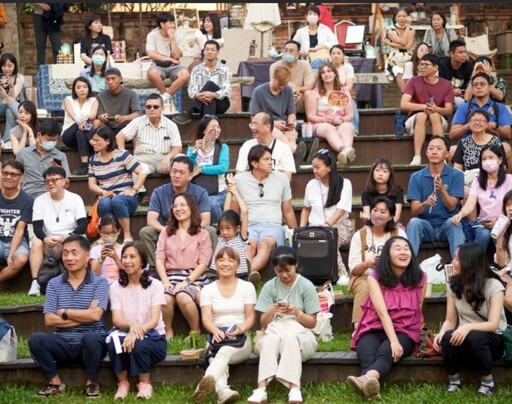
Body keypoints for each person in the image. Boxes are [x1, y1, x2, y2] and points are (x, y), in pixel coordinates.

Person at [28, 235, 109, 398]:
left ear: (87, 256)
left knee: (92, 337)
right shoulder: (54, 283)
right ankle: (55, 382)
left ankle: (92, 383)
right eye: (65, 253)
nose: (69, 258)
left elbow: (96, 316)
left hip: (90, 346)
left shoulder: (100, 283)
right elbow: (49, 320)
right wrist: (86, 314)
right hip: (62, 343)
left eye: (74, 253)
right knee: (36, 340)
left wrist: (64, 313)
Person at [347, 236, 426, 400]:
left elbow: (418, 309)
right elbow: (382, 313)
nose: (403, 251)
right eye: (397, 248)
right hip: (375, 326)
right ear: (387, 255)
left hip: (405, 331)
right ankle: (370, 386)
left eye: (406, 248)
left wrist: (396, 341)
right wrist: (393, 340)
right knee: (367, 351)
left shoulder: (421, 277)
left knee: (385, 351)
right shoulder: (374, 278)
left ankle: (365, 379)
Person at [247, 246, 320, 404]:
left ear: (296, 265)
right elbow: (263, 323)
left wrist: (297, 313)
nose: (284, 275)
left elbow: (312, 323)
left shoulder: (306, 285)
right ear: (274, 269)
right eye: (280, 271)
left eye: (288, 270)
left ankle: (294, 388)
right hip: (273, 332)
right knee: (270, 339)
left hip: (301, 336)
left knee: (290, 337)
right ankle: (261, 389)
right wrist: (271, 311)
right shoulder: (269, 286)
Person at [433, 242, 506, 397]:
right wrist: (442, 332)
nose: (452, 262)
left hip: (493, 340)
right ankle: (454, 382)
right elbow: (450, 320)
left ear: (470, 262)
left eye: (457, 259)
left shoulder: (494, 286)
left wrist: (467, 327)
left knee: (474, 336)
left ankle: (487, 382)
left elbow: (493, 325)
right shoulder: (453, 285)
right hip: (465, 338)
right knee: (447, 337)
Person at [192, 246, 256, 403]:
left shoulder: (247, 287)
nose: (225, 264)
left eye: (230, 260)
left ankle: (204, 383)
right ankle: (223, 392)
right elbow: (206, 318)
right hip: (216, 336)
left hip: (240, 339)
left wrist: (241, 328)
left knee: (224, 352)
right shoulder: (207, 289)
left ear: (237, 265)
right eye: (221, 260)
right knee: (215, 355)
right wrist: (214, 330)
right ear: (215, 264)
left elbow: (250, 317)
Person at [108, 241, 167, 400]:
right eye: (124, 257)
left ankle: (144, 383)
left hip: (153, 337)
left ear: (142, 261)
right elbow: (117, 320)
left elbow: (154, 320)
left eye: (132, 257)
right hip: (125, 334)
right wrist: (132, 326)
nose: (127, 261)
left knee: (139, 344)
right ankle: (123, 383)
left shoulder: (155, 285)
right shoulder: (115, 287)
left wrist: (136, 333)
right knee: (113, 342)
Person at [231, 145, 297, 283]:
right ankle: (247, 276)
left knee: (265, 244)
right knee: (249, 246)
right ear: (254, 163)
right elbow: (234, 210)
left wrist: (296, 232)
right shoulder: (240, 180)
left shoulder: (282, 179)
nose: (270, 162)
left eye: (270, 159)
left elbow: (288, 210)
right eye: (266, 159)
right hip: (248, 224)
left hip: (272, 225)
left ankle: (241, 278)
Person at [155, 193, 212, 340]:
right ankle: (168, 331)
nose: (178, 209)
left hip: (194, 278)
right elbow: (159, 259)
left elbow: (204, 263)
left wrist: (186, 282)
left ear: (191, 208)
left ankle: (195, 331)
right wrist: (166, 282)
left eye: (182, 205)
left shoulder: (202, 234)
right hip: (171, 276)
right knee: (164, 297)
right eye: (175, 206)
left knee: (182, 296)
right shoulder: (165, 233)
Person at [139, 155, 211, 269]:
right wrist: (166, 231)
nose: (176, 176)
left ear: (191, 175)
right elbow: (151, 220)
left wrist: (190, 231)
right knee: (146, 232)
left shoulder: (200, 192)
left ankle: (207, 271)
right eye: (174, 171)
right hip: (167, 230)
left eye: (181, 172)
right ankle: (155, 269)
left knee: (210, 231)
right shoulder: (159, 192)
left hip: (192, 230)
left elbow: (206, 220)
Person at [348, 197, 407, 330]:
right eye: (374, 210)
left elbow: (407, 262)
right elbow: (353, 270)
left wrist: (387, 264)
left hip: (392, 275)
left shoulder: (399, 234)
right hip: (364, 276)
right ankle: (358, 328)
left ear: (391, 216)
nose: (377, 214)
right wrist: (368, 264)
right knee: (365, 286)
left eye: (383, 211)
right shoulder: (360, 235)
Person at [29, 167, 87, 297]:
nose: (50, 183)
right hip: (49, 241)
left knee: (81, 240)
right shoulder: (39, 200)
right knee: (36, 242)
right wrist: (45, 239)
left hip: (70, 237)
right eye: (47, 181)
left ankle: (81, 282)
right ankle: (35, 282)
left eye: (54, 180)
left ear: (64, 181)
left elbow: (83, 224)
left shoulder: (75, 198)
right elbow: (37, 227)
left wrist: (69, 236)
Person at [406, 136, 465, 258]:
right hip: (426, 225)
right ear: (426, 153)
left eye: (439, 148)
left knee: (455, 222)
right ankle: (408, 268)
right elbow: (414, 210)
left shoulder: (456, 175)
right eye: (431, 148)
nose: (434, 152)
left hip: (446, 224)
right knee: (413, 222)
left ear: (447, 154)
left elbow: (452, 206)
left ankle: (460, 266)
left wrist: (442, 190)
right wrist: (426, 203)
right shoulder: (416, 177)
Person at [300, 148, 353, 280]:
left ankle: (342, 274)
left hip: (340, 226)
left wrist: (326, 225)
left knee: (329, 237)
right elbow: (306, 209)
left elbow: (340, 210)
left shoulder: (345, 184)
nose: (314, 171)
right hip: (315, 226)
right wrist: (301, 229)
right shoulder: (311, 185)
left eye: (318, 167)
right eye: (313, 167)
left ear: (329, 168)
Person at [88, 126, 147, 242]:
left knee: (117, 201)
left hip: (126, 197)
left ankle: (127, 235)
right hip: (106, 195)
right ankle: (106, 236)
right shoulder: (93, 160)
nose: (93, 143)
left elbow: (142, 172)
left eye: (97, 140)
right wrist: (103, 192)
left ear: (107, 141)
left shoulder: (122, 155)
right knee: (104, 203)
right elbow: (91, 184)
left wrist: (134, 190)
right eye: (92, 140)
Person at [452, 145, 512, 251]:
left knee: (497, 233)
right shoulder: (478, 181)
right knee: (483, 234)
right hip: (483, 223)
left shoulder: (509, 180)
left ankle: (502, 265)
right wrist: (460, 214)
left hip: (504, 223)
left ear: (500, 159)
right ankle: (475, 265)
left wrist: (498, 221)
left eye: (491, 157)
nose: (487, 161)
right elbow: (470, 204)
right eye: (484, 159)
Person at [400, 53, 454, 166]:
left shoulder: (446, 84)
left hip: (438, 120)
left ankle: (442, 156)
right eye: (421, 64)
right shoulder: (413, 81)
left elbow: (448, 110)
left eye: (426, 65)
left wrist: (435, 109)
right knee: (422, 115)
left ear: (435, 67)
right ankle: (417, 156)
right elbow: (404, 104)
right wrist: (424, 107)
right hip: (415, 120)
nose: (422, 67)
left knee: (434, 115)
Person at [449, 72, 512, 167]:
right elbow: (452, 135)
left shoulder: (499, 107)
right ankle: (459, 181)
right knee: (453, 150)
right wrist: (468, 126)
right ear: (472, 89)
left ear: (489, 87)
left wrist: (494, 126)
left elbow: (508, 134)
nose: (478, 87)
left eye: (482, 84)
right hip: (468, 146)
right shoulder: (464, 107)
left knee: (507, 147)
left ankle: (505, 180)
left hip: (493, 146)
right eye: (475, 85)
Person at [304, 62, 357, 167]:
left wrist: (341, 120)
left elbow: (350, 115)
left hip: (339, 121)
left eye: (329, 71)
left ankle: (344, 156)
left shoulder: (344, 91)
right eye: (323, 73)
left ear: (335, 74)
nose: (326, 74)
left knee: (348, 126)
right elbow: (310, 116)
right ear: (321, 76)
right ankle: (345, 150)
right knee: (328, 128)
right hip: (320, 124)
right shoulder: (315, 93)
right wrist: (323, 119)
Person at [116, 93, 182, 175]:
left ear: (162, 108)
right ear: (145, 108)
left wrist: (168, 157)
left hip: (164, 158)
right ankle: (139, 188)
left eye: (155, 107)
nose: (152, 109)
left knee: (182, 162)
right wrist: (124, 155)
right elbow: (120, 136)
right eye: (148, 107)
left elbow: (178, 147)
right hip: (142, 159)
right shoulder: (137, 122)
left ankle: (178, 188)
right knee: (135, 169)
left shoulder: (171, 125)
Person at [249, 66, 305, 160]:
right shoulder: (258, 91)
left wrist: (290, 122)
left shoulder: (287, 91)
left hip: (284, 125)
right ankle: (300, 155)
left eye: (285, 84)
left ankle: (295, 156)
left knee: (290, 138)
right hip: (266, 125)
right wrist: (273, 124)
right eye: (280, 84)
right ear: (273, 78)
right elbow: (253, 118)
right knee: (283, 138)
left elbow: (292, 113)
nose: (282, 87)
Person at [174, 40, 231, 125]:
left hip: (221, 103)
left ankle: (190, 111)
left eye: (212, 50)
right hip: (203, 103)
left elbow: (226, 90)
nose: (209, 52)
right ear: (203, 51)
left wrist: (214, 95)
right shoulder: (196, 69)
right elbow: (191, 89)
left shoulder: (224, 69)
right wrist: (197, 95)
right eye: (207, 49)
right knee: (209, 101)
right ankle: (207, 130)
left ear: (218, 52)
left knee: (210, 84)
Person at [187, 115, 228, 225]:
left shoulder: (222, 147)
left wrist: (201, 169)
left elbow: (223, 167)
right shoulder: (192, 149)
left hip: (218, 193)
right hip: (196, 191)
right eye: (213, 127)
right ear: (204, 130)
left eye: (218, 127)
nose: (216, 130)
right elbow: (188, 166)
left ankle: (219, 228)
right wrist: (195, 151)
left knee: (211, 203)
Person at [16, 119, 70, 199]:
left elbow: (66, 184)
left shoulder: (60, 156)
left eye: (54, 140)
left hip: (51, 196)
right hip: (28, 197)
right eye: (48, 140)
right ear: (39, 135)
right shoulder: (23, 154)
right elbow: (16, 178)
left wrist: (60, 173)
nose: (51, 142)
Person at [235, 112, 296, 181]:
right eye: (251, 125)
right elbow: (239, 173)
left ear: (267, 127)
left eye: (255, 124)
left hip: (274, 188)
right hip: (250, 188)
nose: (252, 128)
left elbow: (286, 178)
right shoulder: (247, 146)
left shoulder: (284, 148)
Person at [210, 174, 249, 280]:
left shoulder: (240, 237)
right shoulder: (221, 237)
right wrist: (230, 190)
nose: (224, 232)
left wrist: (235, 192)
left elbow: (244, 212)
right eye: (222, 229)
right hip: (219, 274)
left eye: (228, 228)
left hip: (238, 276)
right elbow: (226, 210)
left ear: (237, 229)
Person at [146, 12, 190, 105]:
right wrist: (168, 59)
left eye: (173, 23)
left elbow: (177, 56)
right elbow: (151, 54)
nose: (173, 26)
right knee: (152, 73)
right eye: (170, 23)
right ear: (162, 24)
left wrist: (172, 38)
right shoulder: (152, 35)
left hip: (174, 66)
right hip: (158, 64)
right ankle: (167, 98)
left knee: (185, 74)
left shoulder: (177, 36)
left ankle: (165, 97)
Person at [0, 160, 33, 284]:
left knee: (21, 259)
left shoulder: (28, 200)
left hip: (17, 241)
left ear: (21, 178)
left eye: (13, 174)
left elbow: (20, 229)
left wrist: (11, 254)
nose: (8, 177)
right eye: (5, 173)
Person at [61, 77, 98, 175]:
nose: (82, 90)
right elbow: (73, 115)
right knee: (79, 128)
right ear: (74, 90)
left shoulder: (94, 100)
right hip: (69, 135)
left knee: (80, 133)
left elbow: (93, 115)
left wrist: (85, 119)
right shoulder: (68, 100)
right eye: (78, 87)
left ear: (89, 88)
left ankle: (85, 165)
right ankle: (92, 141)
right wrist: (82, 121)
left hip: (82, 133)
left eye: (85, 87)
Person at [269, 40, 315, 114]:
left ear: (298, 53)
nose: (288, 53)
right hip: (281, 96)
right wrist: (291, 91)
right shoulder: (274, 66)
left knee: (309, 94)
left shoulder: (305, 65)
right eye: (285, 50)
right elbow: (274, 86)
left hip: (299, 96)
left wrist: (297, 90)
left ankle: (310, 120)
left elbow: (309, 86)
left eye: (291, 51)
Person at [95, 67, 141, 135]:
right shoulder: (101, 96)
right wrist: (102, 117)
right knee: (96, 122)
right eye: (108, 79)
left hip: (127, 128)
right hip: (107, 128)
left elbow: (138, 114)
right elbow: (98, 115)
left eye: (113, 78)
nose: (110, 82)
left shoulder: (131, 94)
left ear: (120, 79)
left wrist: (124, 118)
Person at [292, 5, 338, 71]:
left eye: (315, 14)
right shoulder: (300, 32)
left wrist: (323, 46)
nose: (312, 16)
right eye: (310, 14)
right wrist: (301, 52)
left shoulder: (325, 29)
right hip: (306, 62)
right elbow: (293, 46)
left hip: (323, 62)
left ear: (319, 17)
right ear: (306, 16)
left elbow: (335, 43)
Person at [360, 158, 404, 225]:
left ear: (390, 175)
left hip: (392, 225)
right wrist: (366, 218)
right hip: (373, 225)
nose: (380, 174)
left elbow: (396, 217)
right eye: (377, 170)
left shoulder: (397, 190)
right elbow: (367, 215)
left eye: (385, 171)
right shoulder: (366, 193)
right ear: (372, 173)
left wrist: (385, 228)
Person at [382, 8, 416, 89]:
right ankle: (405, 95)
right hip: (395, 57)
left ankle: (411, 95)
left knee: (410, 72)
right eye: (399, 16)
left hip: (409, 56)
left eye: (404, 16)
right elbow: (403, 42)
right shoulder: (390, 30)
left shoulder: (412, 30)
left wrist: (390, 43)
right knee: (398, 72)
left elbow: (407, 46)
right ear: (395, 18)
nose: (401, 18)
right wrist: (394, 44)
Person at [330, 45, 359, 132]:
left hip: (344, 94)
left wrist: (339, 93)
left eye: (339, 53)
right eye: (333, 53)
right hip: (329, 95)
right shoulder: (327, 68)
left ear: (343, 55)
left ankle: (354, 130)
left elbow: (349, 86)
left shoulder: (348, 67)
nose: (336, 56)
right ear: (330, 56)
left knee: (351, 104)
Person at [439, 39, 474, 108]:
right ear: (452, 54)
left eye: (465, 52)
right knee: (462, 104)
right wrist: (451, 91)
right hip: (447, 96)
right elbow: (439, 86)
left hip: (465, 96)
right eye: (460, 52)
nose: (464, 55)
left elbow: (471, 83)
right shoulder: (442, 65)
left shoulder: (469, 65)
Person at [90, 214, 123, 285]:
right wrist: (101, 259)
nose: (109, 236)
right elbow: (94, 273)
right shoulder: (95, 250)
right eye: (105, 233)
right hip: (101, 286)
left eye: (113, 233)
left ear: (119, 231)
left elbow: (127, 272)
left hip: (121, 284)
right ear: (99, 232)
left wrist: (116, 258)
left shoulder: (124, 249)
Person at [0, 53, 24, 149]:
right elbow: (4, 99)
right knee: (8, 103)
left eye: (10, 66)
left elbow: (12, 98)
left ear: (15, 66)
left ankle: (7, 140)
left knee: (10, 111)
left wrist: (11, 86)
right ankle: (25, 116)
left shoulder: (19, 78)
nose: (7, 69)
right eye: (4, 66)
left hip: (11, 106)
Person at [33, 3, 65, 67]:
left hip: (54, 15)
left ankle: (60, 70)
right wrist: (41, 4)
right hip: (39, 15)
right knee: (40, 46)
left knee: (57, 46)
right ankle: (41, 72)